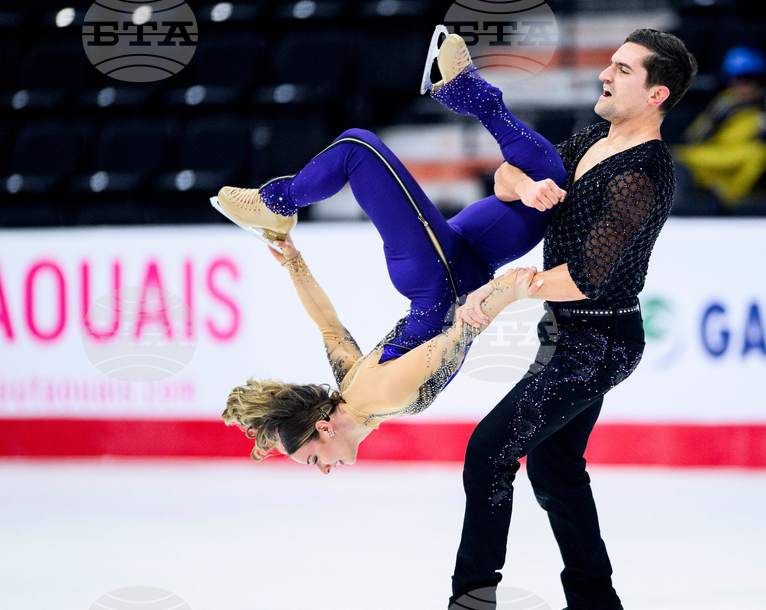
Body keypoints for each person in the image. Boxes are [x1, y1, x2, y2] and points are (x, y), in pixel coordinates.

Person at [417, 29, 698, 610]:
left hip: (599, 341)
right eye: (610, 61)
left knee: (490, 450)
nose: (605, 73)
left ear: (655, 93)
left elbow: (588, 274)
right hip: (567, 336)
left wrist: (506, 291)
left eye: (622, 69)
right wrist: (527, 186)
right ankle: (596, 605)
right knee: (554, 466)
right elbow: (507, 178)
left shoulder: (645, 174)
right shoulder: (593, 143)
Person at [217, 31, 569, 469]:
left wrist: (513, 293)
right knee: (548, 175)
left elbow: (461, 330)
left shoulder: (376, 395)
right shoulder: (353, 390)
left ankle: (277, 200)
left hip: (435, 274)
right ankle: (466, 91)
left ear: (323, 429)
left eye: (313, 460)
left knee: (358, 149)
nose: (324, 470)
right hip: (472, 257)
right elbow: (329, 328)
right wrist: (293, 260)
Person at [671, 46, 766, 208]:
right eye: (735, 79)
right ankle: (683, 207)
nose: (740, 85)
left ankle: (728, 200)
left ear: (761, 78)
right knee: (675, 156)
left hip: (755, 154)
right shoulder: (726, 100)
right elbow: (696, 134)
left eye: (747, 79)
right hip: (721, 155)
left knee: (760, 155)